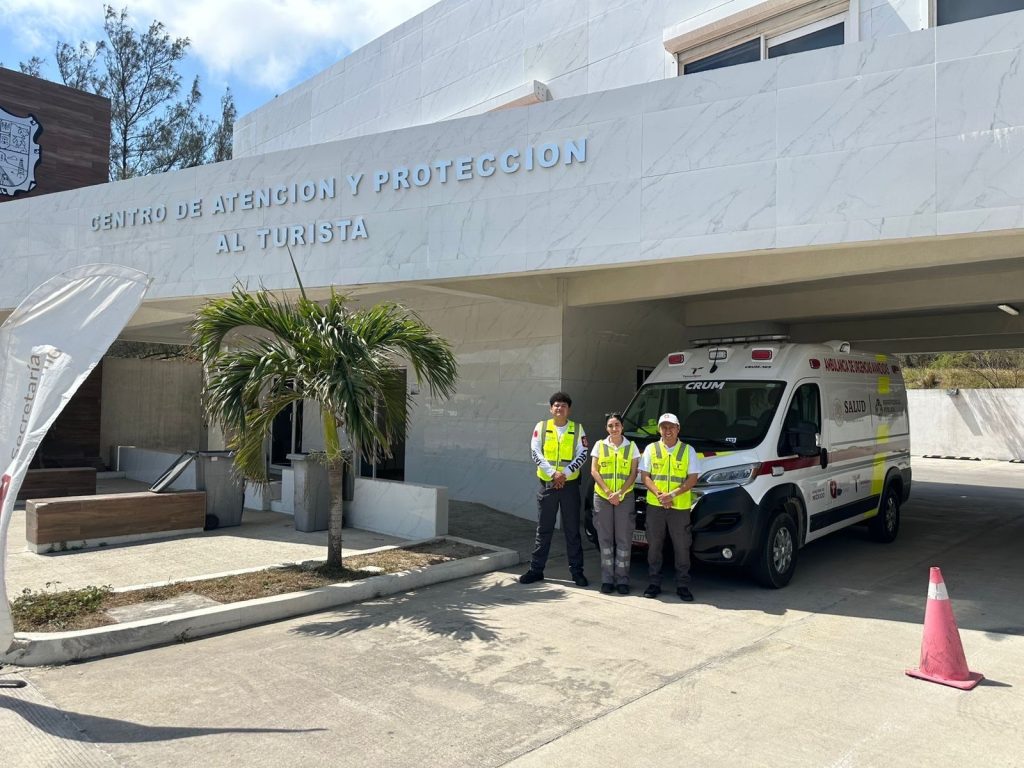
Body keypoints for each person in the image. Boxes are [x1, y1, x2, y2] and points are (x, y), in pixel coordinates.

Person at [520, 391, 589, 586]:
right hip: (548, 485)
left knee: (572, 531)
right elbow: (535, 452)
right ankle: (536, 570)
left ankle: (577, 572)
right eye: (556, 405)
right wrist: (553, 474)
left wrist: (564, 474)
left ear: (569, 410)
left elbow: (583, 453)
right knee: (544, 530)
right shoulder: (541, 427)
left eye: (563, 406)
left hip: (569, 486)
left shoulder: (577, 429)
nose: (560, 408)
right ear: (551, 409)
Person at [639, 413, 701, 601]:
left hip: (679, 507)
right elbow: (645, 476)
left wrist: (671, 495)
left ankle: (683, 585)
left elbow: (693, 478)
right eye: (664, 427)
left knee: (682, 547)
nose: (667, 430)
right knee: (654, 546)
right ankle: (654, 583)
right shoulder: (651, 449)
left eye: (671, 427)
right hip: (655, 505)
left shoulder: (688, 450)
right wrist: (660, 495)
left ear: (678, 428)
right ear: (659, 429)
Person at [590, 412, 640, 595]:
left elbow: (633, 473)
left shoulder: (631, 446)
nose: (614, 428)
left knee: (623, 539)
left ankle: (622, 580)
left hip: (624, 497)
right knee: (605, 539)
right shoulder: (599, 445)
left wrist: (620, 493)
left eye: (617, 425)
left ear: (622, 427)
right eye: (610, 425)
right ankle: (607, 579)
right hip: (603, 497)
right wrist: (608, 492)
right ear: (606, 428)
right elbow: (594, 471)